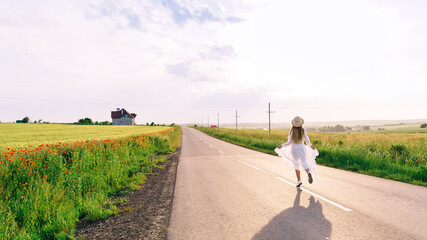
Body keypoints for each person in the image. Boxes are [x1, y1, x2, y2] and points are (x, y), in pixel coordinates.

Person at [275, 116, 318, 187]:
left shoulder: (292, 131)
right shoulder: (303, 130)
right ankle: (308, 173)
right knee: (304, 162)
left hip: (294, 148)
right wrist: (311, 145)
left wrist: (282, 145)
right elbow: (307, 140)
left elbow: (289, 142)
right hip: (301, 148)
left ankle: (299, 181)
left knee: (296, 164)